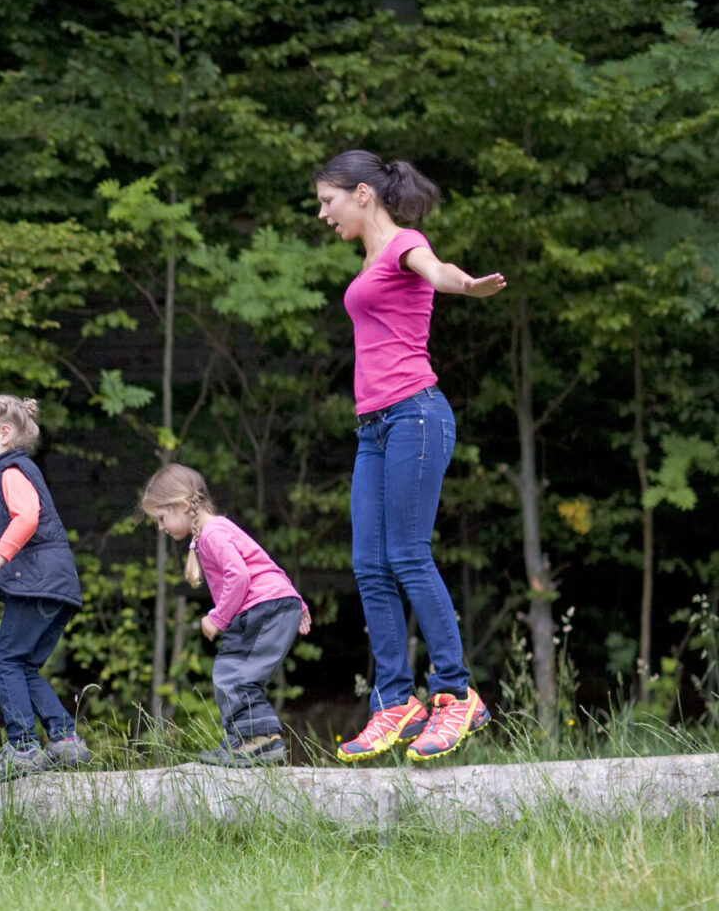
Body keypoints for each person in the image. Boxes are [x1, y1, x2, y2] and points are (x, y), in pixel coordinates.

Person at [316, 150, 505, 763]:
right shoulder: (369, 259)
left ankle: (456, 695)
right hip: (373, 428)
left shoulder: (404, 245)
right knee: (368, 564)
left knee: (407, 554)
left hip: (414, 416)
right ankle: (395, 702)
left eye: (328, 200)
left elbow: (437, 269)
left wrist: (466, 285)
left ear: (362, 193)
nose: (323, 213)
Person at [141, 464, 312, 767]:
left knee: (234, 674)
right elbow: (264, 561)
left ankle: (259, 740)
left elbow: (240, 576)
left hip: (261, 608)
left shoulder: (212, 533)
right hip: (274, 603)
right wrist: (295, 600)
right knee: (236, 673)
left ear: (183, 505)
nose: (161, 527)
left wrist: (218, 617)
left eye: (161, 518)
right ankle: (244, 740)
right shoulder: (218, 529)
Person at [0, 395, 94, 780]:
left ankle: (22, 748)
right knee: (22, 665)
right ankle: (65, 741)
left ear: (4, 434)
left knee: (4, 661)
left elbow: (26, 519)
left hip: (41, 584)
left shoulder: (11, 470)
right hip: (52, 584)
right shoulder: (11, 472)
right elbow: (27, 546)